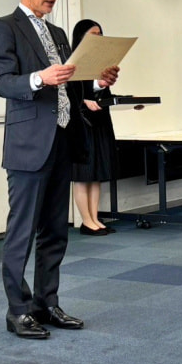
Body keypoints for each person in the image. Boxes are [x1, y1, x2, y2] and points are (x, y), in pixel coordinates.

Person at [0, 0, 118, 340]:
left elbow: (72, 85)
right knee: (22, 232)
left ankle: (47, 303)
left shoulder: (59, 34)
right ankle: (18, 310)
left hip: (62, 141)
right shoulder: (4, 27)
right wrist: (40, 78)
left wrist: (97, 81)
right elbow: (3, 82)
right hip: (29, 145)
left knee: (55, 232)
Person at [70, 19, 118, 237]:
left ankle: (95, 218)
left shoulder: (102, 61)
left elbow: (100, 91)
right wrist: (92, 91)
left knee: (97, 173)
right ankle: (86, 221)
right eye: (92, 34)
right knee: (82, 174)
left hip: (99, 121)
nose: (97, 38)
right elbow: (71, 91)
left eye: (100, 33)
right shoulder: (72, 60)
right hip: (81, 123)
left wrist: (104, 87)